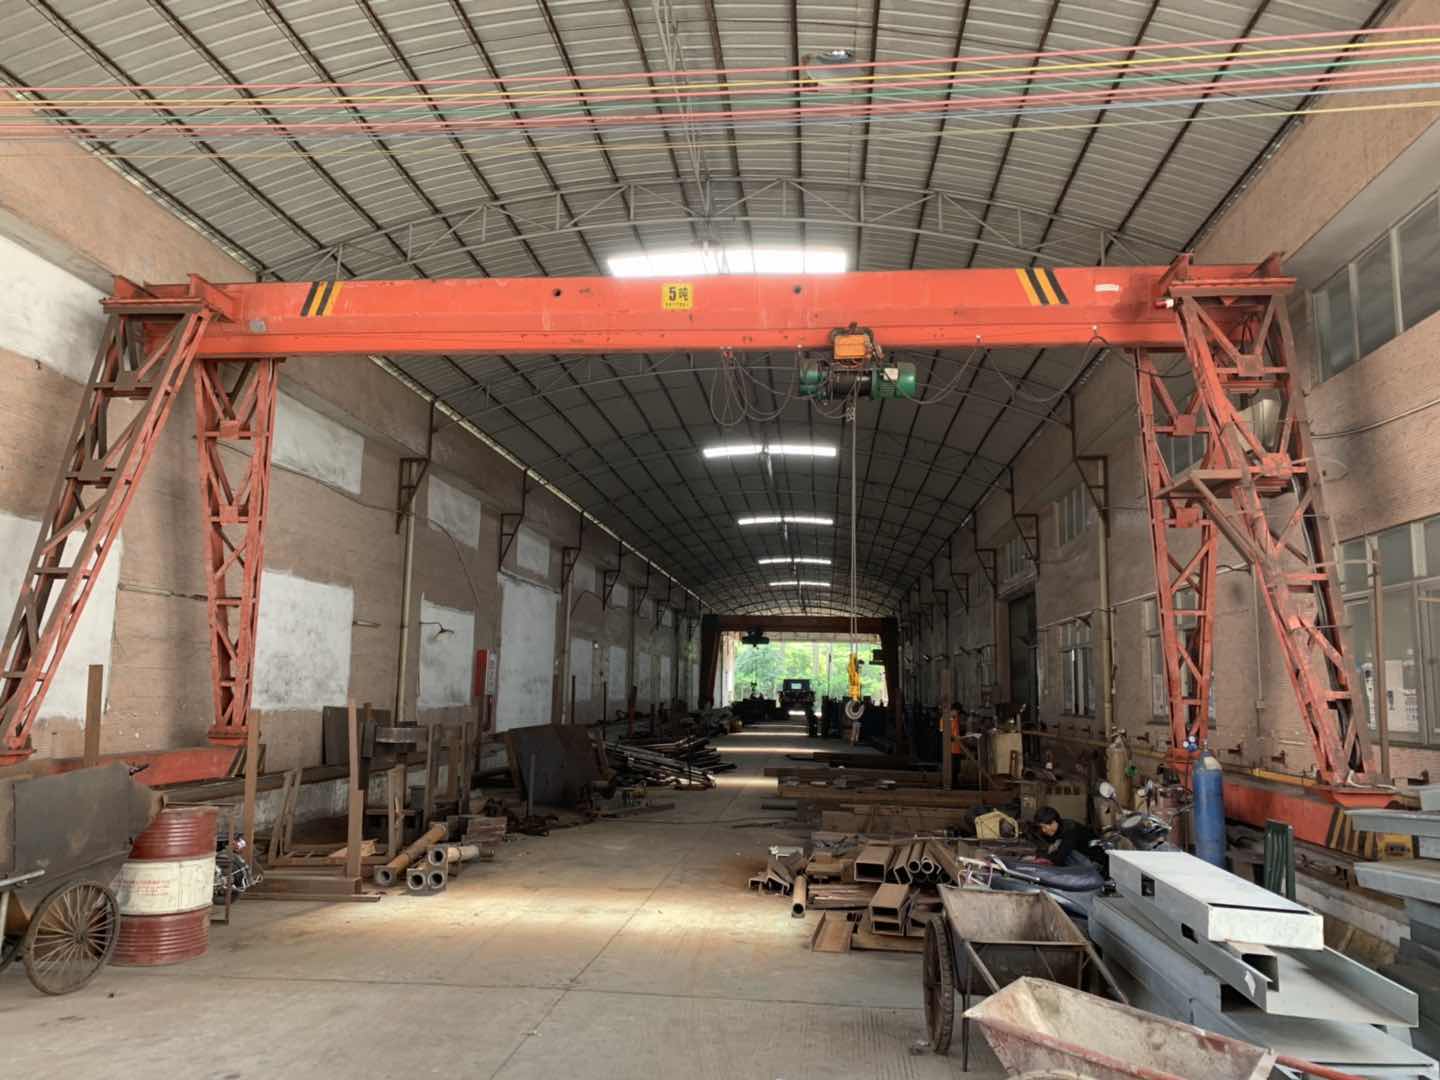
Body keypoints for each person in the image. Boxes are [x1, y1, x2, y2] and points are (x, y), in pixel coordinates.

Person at [1033, 806, 1099, 867]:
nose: (1043, 830)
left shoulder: (1071, 830)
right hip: (1081, 858)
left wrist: (1039, 857)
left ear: (1053, 822)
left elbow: (1059, 860)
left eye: (1044, 827)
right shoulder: (1059, 827)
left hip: (1094, 862)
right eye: (1041, 827)